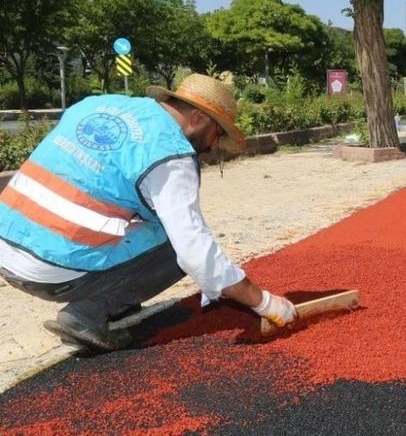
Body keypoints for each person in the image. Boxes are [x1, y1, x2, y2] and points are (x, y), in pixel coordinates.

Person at [0, 74, 297, 352]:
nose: (213, 145)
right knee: (175, 244)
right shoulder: (170, 153)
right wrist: (263, 302)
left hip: (6, 244)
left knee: (151, 221)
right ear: (198, 119)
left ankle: (118, 301)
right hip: (50, 270)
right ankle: (87, 314)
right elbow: (195, 251)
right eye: (216, 133)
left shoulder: (99, 105)